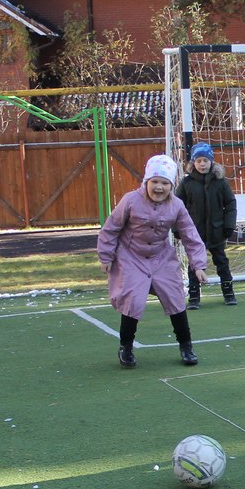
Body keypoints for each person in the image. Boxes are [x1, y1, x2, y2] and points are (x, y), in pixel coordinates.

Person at [97, 154, 208, 368]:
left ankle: (186, 346)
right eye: (155, 182)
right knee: (133, 301)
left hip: (160, 257)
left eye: (165, 183)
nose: (159, 187)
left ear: (171, 185)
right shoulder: (130, 200)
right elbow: (111, 229)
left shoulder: (176, 205)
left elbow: (190, 234)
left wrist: (199, 265)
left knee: (175, 298)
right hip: (131, 257)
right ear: (146, 182)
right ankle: (126, 348)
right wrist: (106, 256)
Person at [176, 141, 238, 308]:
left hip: (217, 231)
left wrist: (228, 225)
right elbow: (175, 207)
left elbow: (230, 204)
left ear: (211, 162)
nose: (202, 164)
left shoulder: (221, 182)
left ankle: (229, 293)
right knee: (194, 265)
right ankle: (194, 297)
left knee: (222, 262)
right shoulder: (186, 183)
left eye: (205, 160)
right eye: (198, 161)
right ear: (193, 163)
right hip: (194, 233)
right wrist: (177, 229)